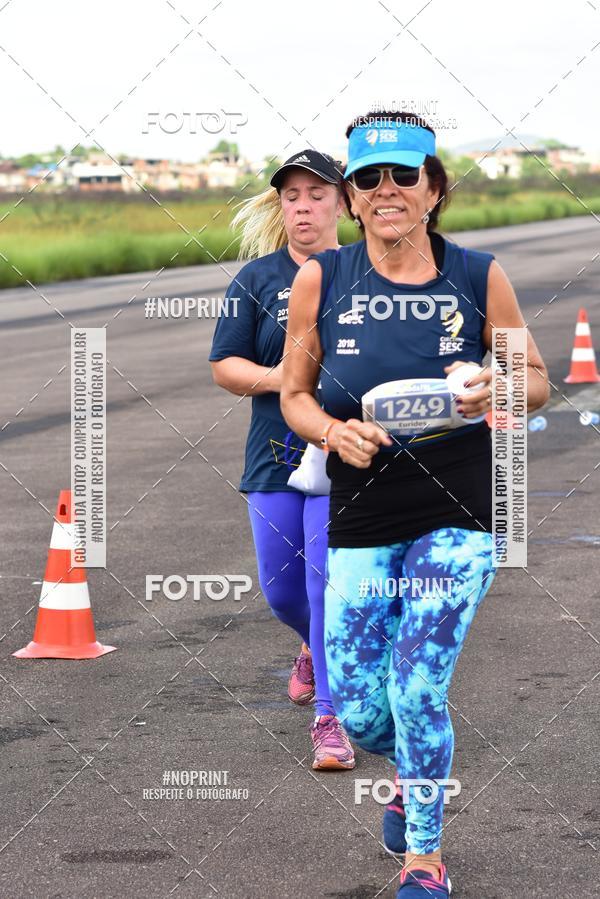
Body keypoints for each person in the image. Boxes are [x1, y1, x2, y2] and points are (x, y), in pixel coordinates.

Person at [281, 112, 549, 895]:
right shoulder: (321, 280)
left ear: (434, 188)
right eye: (368, 179)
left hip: (456, 513)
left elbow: (535, 380)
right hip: (361, 516)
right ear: (352, 199)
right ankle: (403, 774)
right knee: (364, 714)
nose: (387, 189)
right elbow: (295, 395)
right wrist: (333, 430)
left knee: (419, 686)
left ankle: (425, 855)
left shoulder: (476, 275)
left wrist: (494, 388)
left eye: (404, 174)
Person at [209, 150, 355, 770]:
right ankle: (308, 646)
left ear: (344, 203)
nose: (304, 205)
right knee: (283, 592)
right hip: (273, 455)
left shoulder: (368, 274)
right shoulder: (255, 280)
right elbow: (225, 366)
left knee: (326, 588)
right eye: (291, 195)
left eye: (317, 194)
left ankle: (331, 715)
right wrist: (288, 381)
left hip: (344, 455)